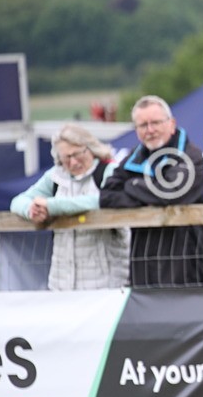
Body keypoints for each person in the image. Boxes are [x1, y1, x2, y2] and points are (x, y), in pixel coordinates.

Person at [99, 95, 203, 287]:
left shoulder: (190, 155)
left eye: (155, 123)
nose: (150, 130)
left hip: (187, 258)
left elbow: (171, 193)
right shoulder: (134, 157)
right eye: (143, 125)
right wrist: (148, 193)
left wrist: (132, 185)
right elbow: (107, 196)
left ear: (171, 123)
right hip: (143, 259)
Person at [9, 124, 129, 290]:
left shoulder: (110, 171)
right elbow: (17, 201)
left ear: (90, 148)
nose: (73, 162)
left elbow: (102, 201)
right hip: (61, 284)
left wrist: (51, 206)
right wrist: (31, 210)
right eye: (66, 158)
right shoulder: (55, 176)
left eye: (77, 154)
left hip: (107, 286)